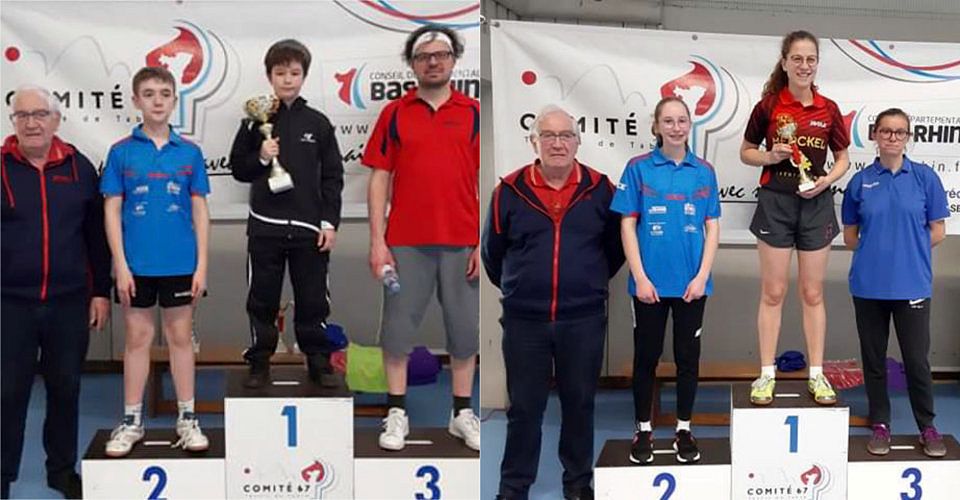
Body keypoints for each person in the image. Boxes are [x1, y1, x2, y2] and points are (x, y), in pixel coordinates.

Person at [483, 105, 624, 500]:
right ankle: (513, 488)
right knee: (524, 410)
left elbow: (614, 251)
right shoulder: (508, 192)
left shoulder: (601, 189)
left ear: (578, 142)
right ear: (534, 141)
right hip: (524, 321)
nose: (557, 143)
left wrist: (587, 285)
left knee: (580, 405)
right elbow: (493, 255)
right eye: (548, 135)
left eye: (565, 136)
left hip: (583, 319)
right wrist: (521, 290)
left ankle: (578, 485)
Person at [363, 25, 480, 451]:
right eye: (424, 55)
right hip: (406, 243)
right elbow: (379, 179)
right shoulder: (395, 114)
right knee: (397, 331)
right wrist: (378, 241)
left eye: (441, 54)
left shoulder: (474, 113)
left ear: (453, 60)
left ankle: (462, 412)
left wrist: (482, 240)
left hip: (462, 242)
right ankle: (396, 411)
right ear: (412, 64)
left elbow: (486, 179)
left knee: (466, 332)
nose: (433, 61)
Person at [1, 85, 112, 498]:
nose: (31, 122)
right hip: (9, 301)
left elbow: (95, 237)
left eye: (40, 114)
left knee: (66, 387)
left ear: (56, 120)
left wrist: (100, 292)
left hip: (69, 300)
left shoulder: (79, 167)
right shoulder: (0, 166)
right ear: (13, 121)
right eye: (22, 115)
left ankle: (61, 471)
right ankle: (3, 475)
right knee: (7, 392)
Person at [100, 66, 211, 457]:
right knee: (137, 339)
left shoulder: (190, 153)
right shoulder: (120, 152)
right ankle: (132, 420)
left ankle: (188, 417)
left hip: (181, 263)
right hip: (137, 267)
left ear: (174, 100)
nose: (158, 100)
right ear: (136, 101)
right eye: (149, 93)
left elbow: (199, 211)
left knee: (181, 338)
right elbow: (112, 211)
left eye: (165, 93)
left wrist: (201, 266)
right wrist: (121, 265)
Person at [740, 30, 850, 406]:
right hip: (776, 203)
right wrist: (770, 157)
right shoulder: (768, 106)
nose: (805, 65)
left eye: (811, 59)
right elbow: (746, 152)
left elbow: (843, 159)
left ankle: (817, 375)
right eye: (798, 59)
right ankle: (766, 374)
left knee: (812, 292)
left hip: (816, 204)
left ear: (817, 64)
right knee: (773, 292)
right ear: (785, 62)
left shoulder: (829, 109)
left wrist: (826, 183)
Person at [610, 96, 720, 465]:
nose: (676, 127)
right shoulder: (638, 168)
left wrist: (702, 276)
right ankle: (643, 428)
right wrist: (639, 277)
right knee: (647, 358)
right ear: (656, 126)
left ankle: (684, 429)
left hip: (692, 286)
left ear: (690, 125)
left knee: (689, 360)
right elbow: (627, 223)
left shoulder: (703, 171)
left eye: (682, 120)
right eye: (668, 121)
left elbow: (712, 225)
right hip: (649, 288)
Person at [230, 39, 345, 389]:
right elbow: (238, 168)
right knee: (262, 298)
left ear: (304, 76)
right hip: (266, 228)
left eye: (294, 73)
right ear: (269, 76)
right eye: (280, 73)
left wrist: (329, 222)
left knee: (313, 299)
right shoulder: (255, 121)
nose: (288, 79)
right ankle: (260, 360)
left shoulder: (319, 123)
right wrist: (263, 157)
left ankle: (318, 359)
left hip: (310, 230)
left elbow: (332, 177)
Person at [841, 108, 950, 458]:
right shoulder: (859, 182)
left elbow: (938, 230)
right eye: (886, 131)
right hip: (868, 286)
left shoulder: (925, 178)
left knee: (916, 360)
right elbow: (851, 236)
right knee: (873, 360)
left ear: (907, 137)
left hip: (913, 286)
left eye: (899, 132)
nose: (892, 137)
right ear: (874, 135)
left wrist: (906, 249)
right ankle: (880, 424)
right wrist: (880, 250)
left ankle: (927, 427)